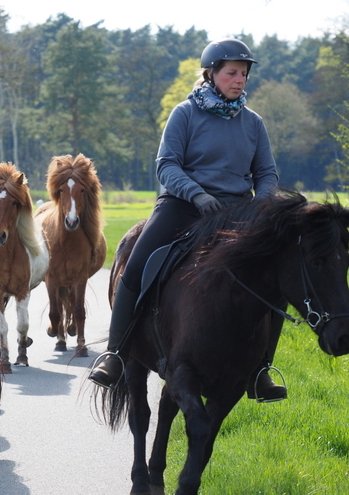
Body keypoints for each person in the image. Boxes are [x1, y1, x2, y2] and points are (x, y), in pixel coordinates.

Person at [89, 38, 287, 402]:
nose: (240, 80)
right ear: (211, 74)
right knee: (137, 263)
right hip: (183, 204)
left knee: (275, 276)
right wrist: (198, 194)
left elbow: (267, 172)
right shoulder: (185, 113)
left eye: (243, 74)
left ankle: (261, 370)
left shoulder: (254, 123)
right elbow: (167, 165)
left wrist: (263, 202)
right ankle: (115, 353)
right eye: (232, 73)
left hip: (237, 211)